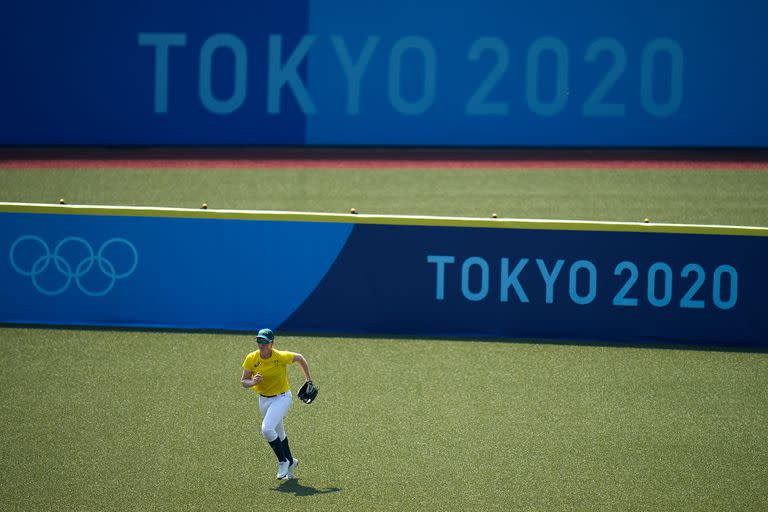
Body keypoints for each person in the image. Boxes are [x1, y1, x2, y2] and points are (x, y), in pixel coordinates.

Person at [241, 328, 313, 480]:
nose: (261, 344)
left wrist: (308, 380)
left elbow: (300, 357)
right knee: (279, 434)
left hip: (282, 398)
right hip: (263, 400)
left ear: (272, 343)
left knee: (267, 430)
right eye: (259, 341)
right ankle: (292, 461)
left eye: (265, 342)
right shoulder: (251, 358)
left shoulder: (279, 356)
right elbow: (244, 381)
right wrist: (253, 382)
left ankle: (283, 461)